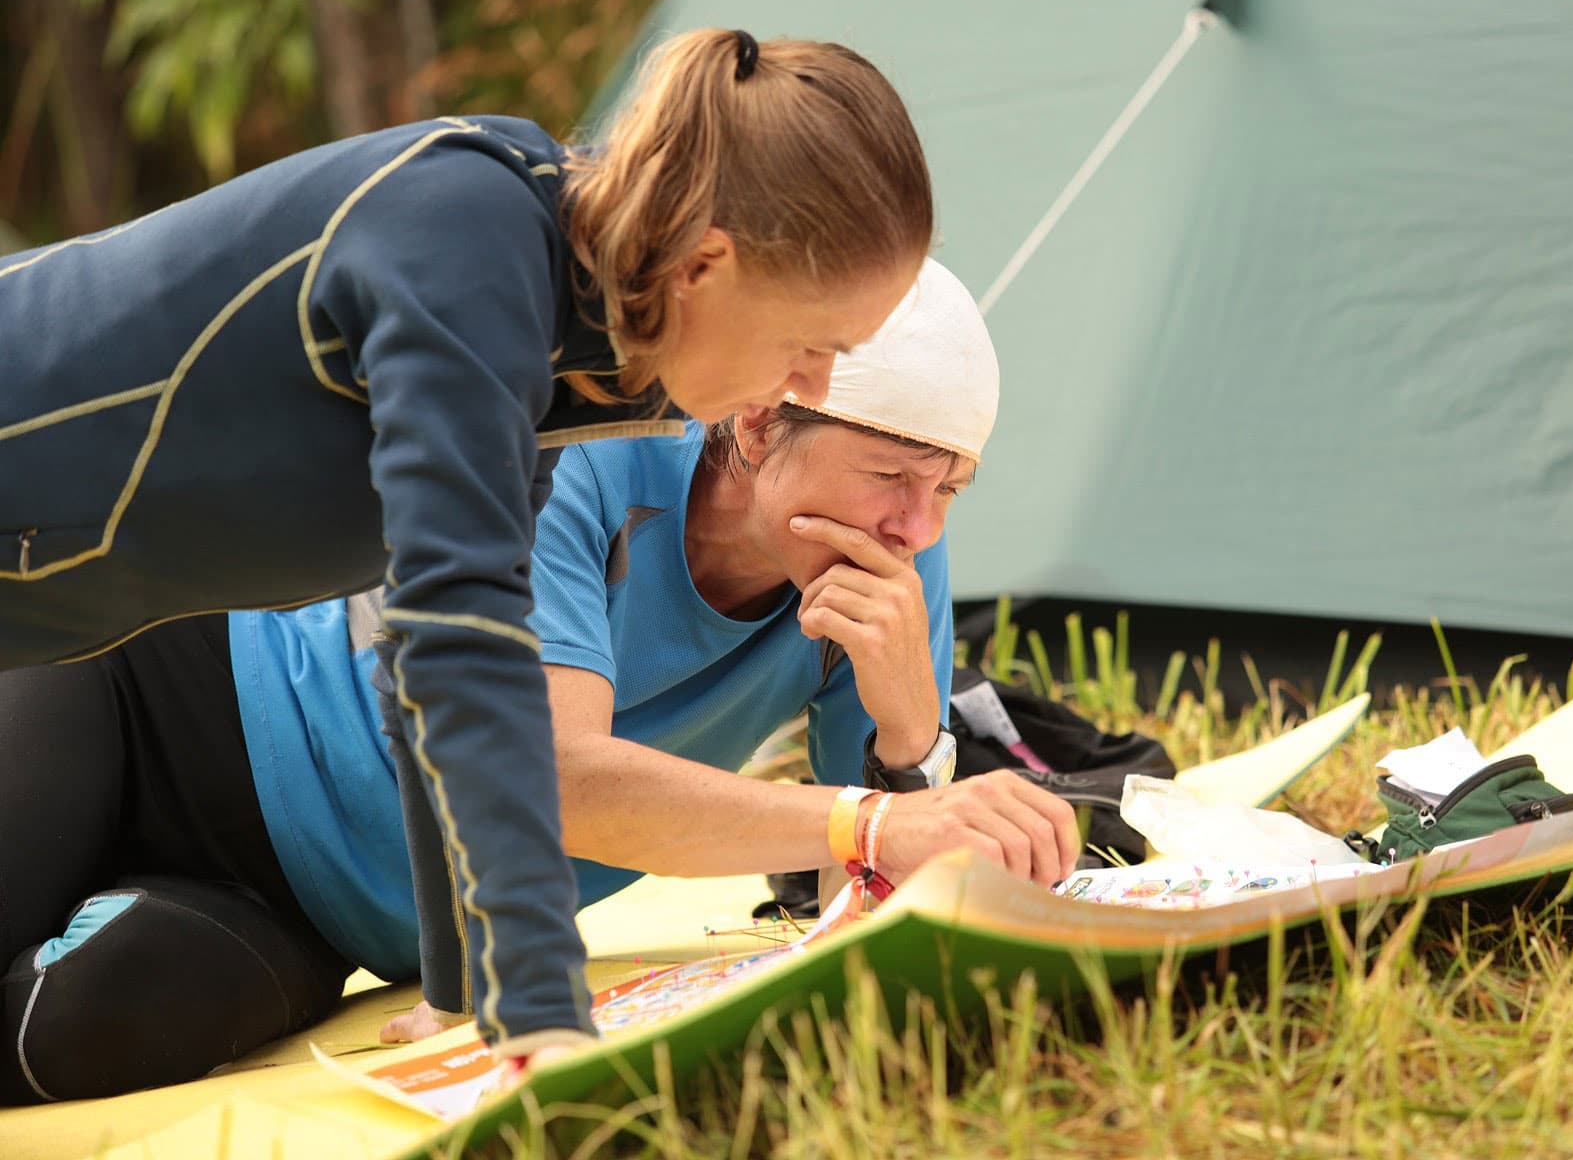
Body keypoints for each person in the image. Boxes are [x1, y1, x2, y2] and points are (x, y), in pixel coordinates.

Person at [0, 27, 934, 1082]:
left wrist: (469, 968)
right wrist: (534, 994)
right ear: (709, 262)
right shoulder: (468, 236)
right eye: (816, 343)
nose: (812, 383)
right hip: (89, 665)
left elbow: (417, 650)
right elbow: (461, 639)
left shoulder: (572, 352)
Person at [0, 259, 1077, 1101]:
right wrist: (873, 821)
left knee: (75, 1032)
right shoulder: (591, 452)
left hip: (322, 918)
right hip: (158, 701)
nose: (919, 524)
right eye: (893, 474)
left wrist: (907, 738)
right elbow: (553, 777)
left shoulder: (894, 566)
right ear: (757, 419)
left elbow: (870, 910)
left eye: (951, 487)